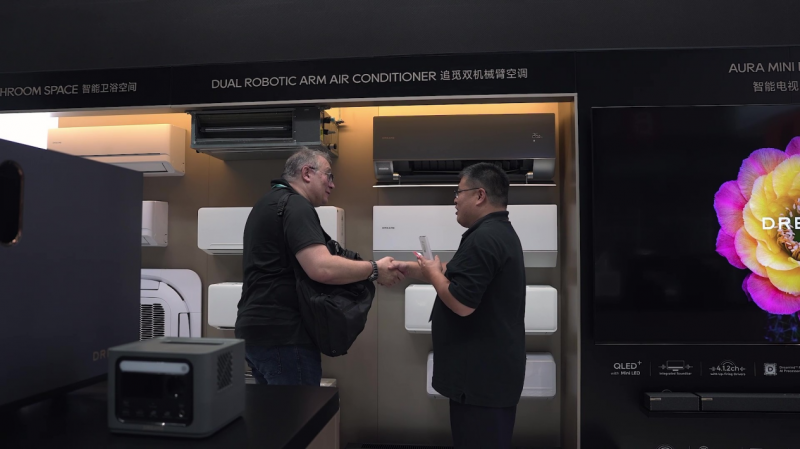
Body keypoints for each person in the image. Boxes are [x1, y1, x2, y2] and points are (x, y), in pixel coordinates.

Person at [235, 148, 404, 386]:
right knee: (300, 410)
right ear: (307, 173)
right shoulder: (296, 206)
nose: (332, 184)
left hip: (254, 334)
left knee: (275, 410)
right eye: (328, 175)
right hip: (285, 336)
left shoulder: (265, 204)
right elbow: (321, 267)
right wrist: (374, 269)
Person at [398, 163, 526, 448]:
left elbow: (461, 302)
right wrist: (407, 269)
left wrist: (433, 275)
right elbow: (456, 274)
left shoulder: (484, 238)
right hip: (488, 378)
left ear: (480, 195)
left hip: (481, 383)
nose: (454, 200)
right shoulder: (496, 232)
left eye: (458, 192)